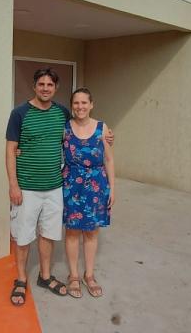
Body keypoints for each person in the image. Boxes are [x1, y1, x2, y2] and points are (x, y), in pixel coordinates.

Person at [5, 68, 70, 306]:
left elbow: (79, 132)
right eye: (41, 84)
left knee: (48, 234)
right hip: (27, 188)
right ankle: (21, 279)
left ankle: (44, 276)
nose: (45, 88)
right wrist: (13, 184)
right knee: (23, 237)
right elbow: (11, 149)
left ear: (55, 88)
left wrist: (106, 135)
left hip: (54, 187)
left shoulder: (62, 112)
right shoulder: (19, 113)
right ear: (34, 86)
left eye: (49, 85)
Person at [62, 88, 114, 299]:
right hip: (71, 184)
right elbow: (44, 145)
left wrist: (112, 188)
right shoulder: (65, 128)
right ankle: (73, 275)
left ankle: (89, 275)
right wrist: (21, 150)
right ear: (72, 105)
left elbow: (109, 160)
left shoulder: (102, 129)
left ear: (91, 104)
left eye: (84, 103)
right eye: (76, 103)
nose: (80, 107)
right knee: (73, 231)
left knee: (92, 232)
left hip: (96, 185)